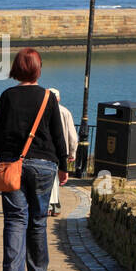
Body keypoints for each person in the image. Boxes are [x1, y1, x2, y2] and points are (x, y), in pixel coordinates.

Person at [0, 48, 68, 271]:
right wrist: (63, 166)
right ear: (38, 68)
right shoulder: (47, 97)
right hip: (44, 164)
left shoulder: (7, 96)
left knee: (15, 218)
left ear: (16, 68)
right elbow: (58, 135)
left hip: (13, 163)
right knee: (38, 219)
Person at [47, 87, 78, 216]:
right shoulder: (65, 112)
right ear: (59, 98)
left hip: (46, 150)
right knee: (56, 178)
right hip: (61, 150)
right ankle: (54, 206)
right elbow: (72, 135)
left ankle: (50, 205)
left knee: (50, 178)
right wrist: (72, 152)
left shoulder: (41, 111)